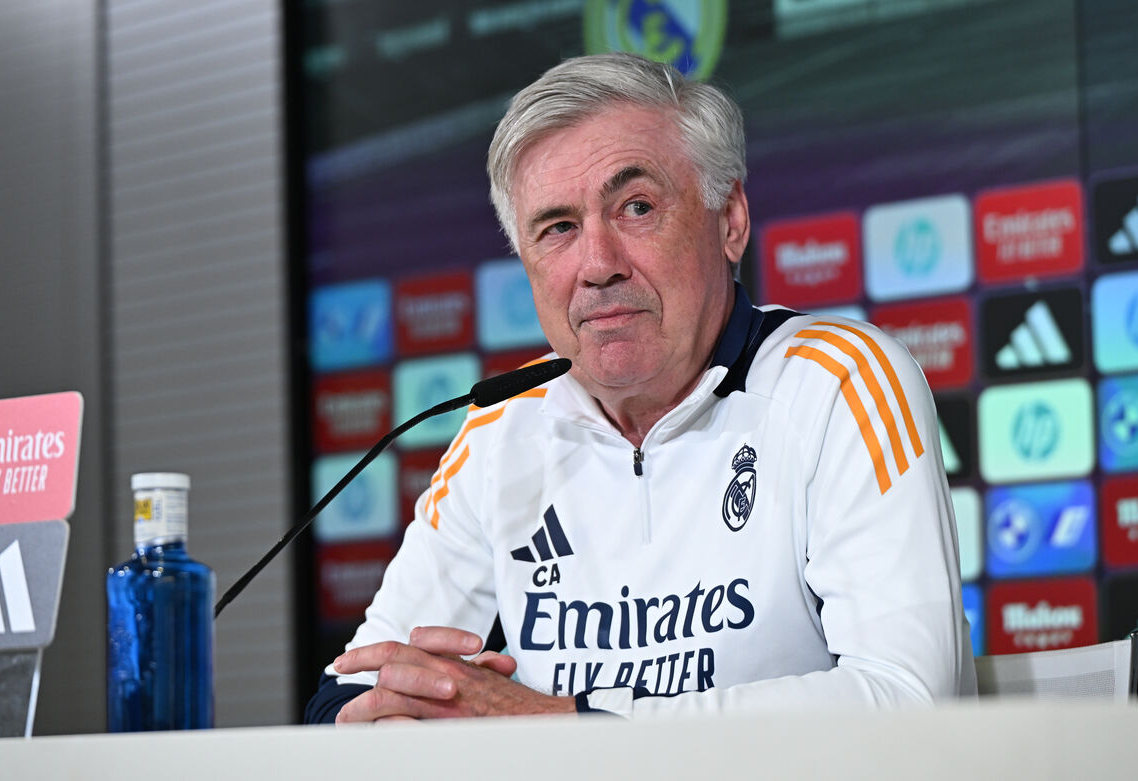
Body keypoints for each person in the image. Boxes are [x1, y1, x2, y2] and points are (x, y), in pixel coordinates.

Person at [305, 52, 975, 723]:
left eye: (636, 207)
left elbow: (909, 700)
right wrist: (401, 716)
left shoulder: (838, 383)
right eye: (559, 228)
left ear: (730, 220)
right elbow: (348, 691)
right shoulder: (500, 431)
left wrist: (560, 727)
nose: (598, 265)